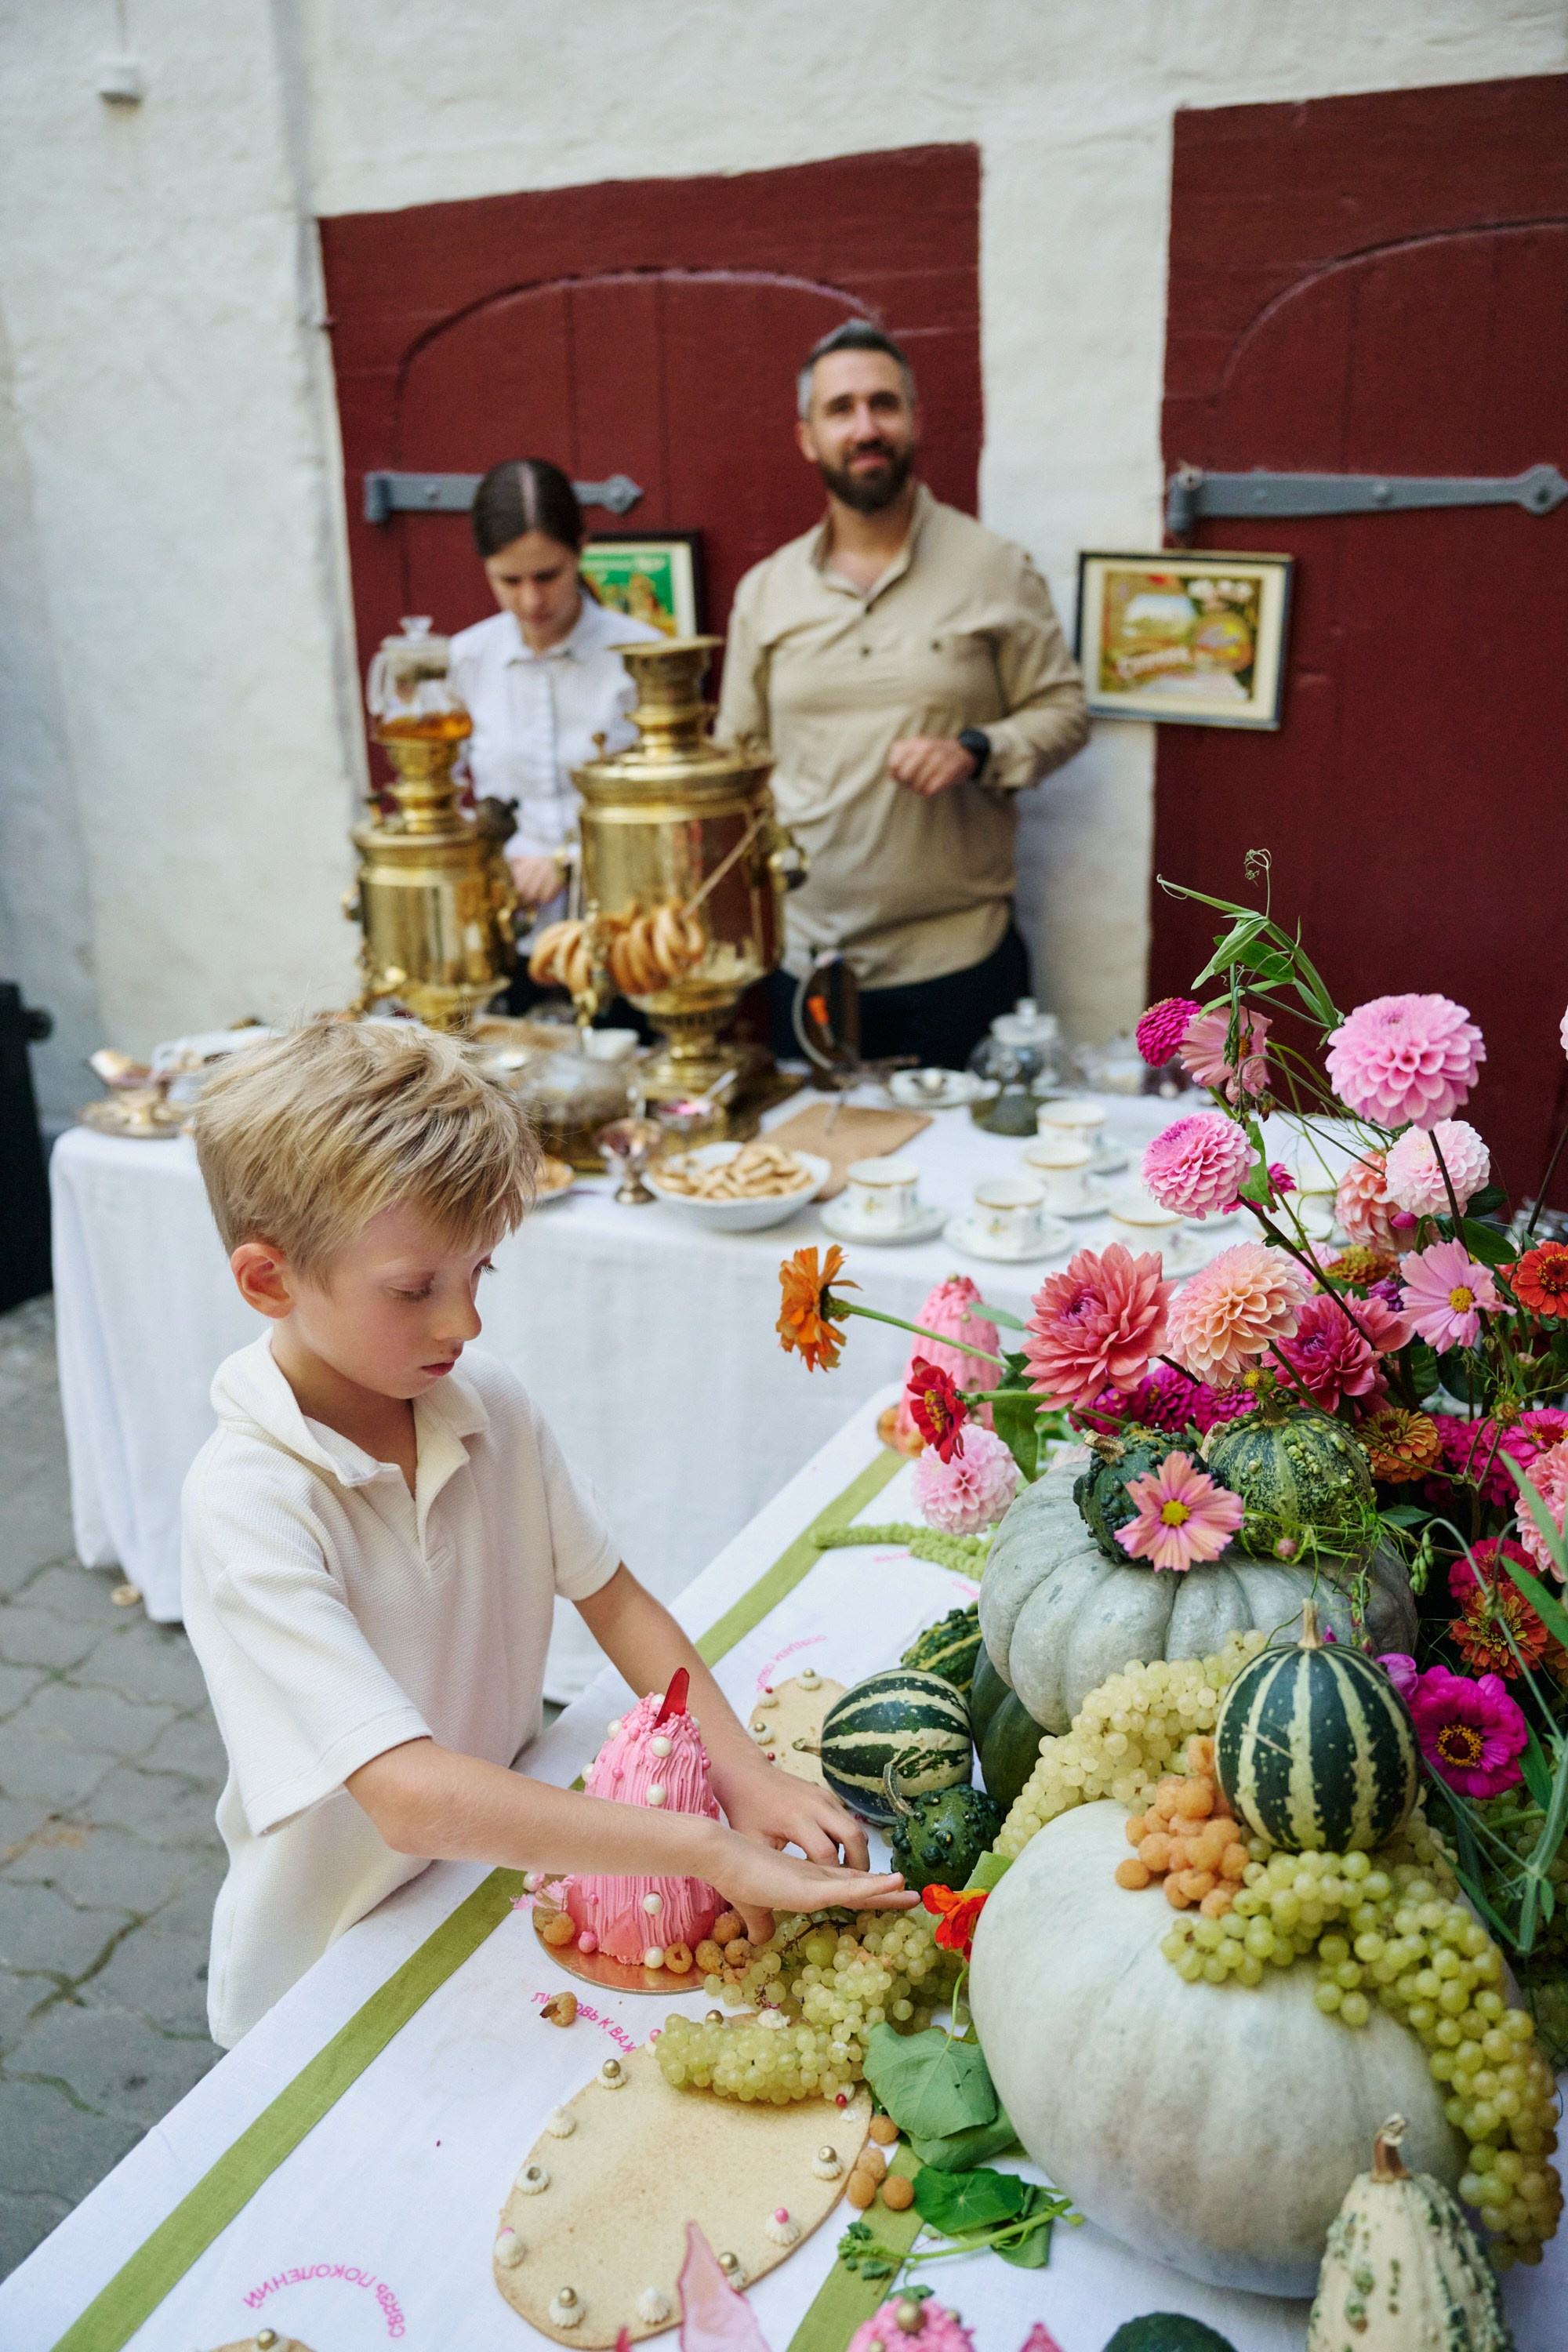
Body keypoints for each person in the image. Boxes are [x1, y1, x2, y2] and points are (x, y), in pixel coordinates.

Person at [183, 1021, 909, 2048]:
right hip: (329, 1965)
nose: (464, 1325)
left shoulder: (488, 1403)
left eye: (479, 1274)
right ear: (269, 1281)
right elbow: (407, 1795)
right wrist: (701, 1845)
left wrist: (741, 1767)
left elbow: (612, 1598)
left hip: (499, 1878)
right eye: (415, 1289)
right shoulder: (248, 1503)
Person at [718, 321, 1091, 1072]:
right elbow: (736, 763)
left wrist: (976, 749)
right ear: (807, 436)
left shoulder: (994, 566)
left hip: (955, 962)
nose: (865, 427)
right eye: (841, 409)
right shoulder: (767, 591)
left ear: (914, 421)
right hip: (808, 967)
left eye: (883, 404)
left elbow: (1064, 714)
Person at [448, 458, 665, 949]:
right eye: (509, 580)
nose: (530, 602)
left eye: (547, 576)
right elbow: (445, 795)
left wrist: (568, 859)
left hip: (624, 926)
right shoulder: (465, 659)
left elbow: (658, 804)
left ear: (581, 550)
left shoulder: (640, 657)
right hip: (502, 929)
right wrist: (495, 859)